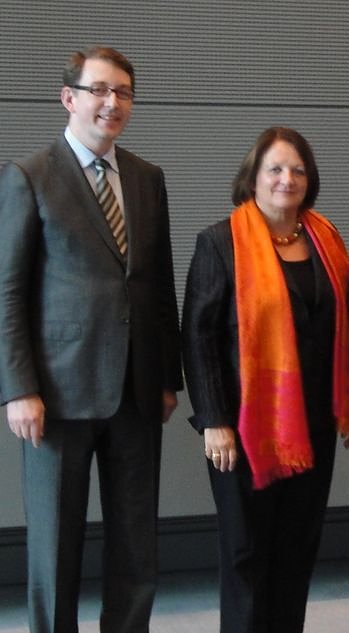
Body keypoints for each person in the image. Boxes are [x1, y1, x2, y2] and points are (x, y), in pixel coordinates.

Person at [0, 47, 182, 632]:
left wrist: (167, 378)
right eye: (99, 90)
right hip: (56, 396)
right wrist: (18, 388)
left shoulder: (148, 178)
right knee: (56, 547)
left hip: (136, 391)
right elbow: (7, 291)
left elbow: (158, 287)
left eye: (123, 92)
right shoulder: (29, 175)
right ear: (69, 97)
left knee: (136, 546)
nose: (112, 102)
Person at [182, 126, 349, 633]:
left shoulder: (326, 240)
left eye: (298, 170)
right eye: (276, 169)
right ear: (253, 177)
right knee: (246, 552)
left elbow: (347, 327)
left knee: (296, 549)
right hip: (244, 427)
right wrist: (214, 420)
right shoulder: (220, 242)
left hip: (315, 423)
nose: (287, 179)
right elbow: (198, 337)